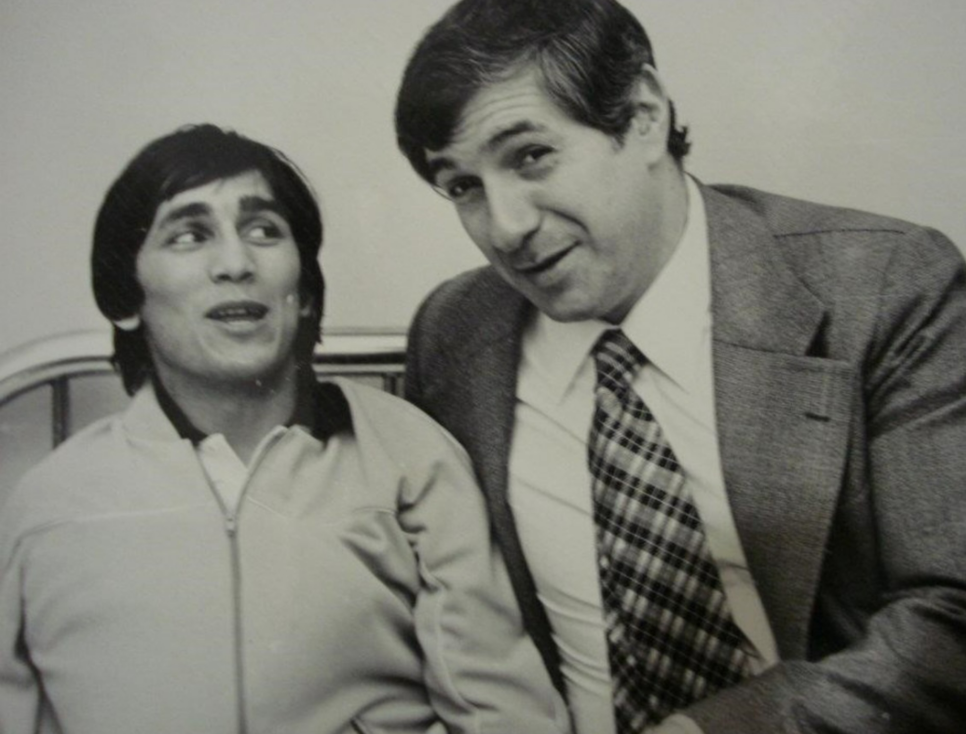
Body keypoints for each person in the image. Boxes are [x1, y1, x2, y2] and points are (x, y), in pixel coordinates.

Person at [393, 0, 966, 734]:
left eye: (530, 156)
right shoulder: (454, 334)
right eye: (462, 187)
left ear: (644, 116)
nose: (505, 226)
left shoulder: (886, 286)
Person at [0, 124, 569, 734]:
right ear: (125, 298)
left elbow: (503, 716)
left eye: (264, 231)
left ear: (303, 289)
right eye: (189, 235)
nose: (236, 264)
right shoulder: (50, 506)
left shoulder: (409, 457)